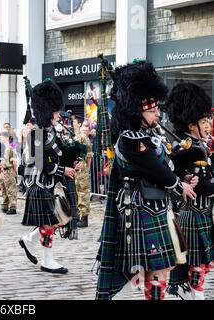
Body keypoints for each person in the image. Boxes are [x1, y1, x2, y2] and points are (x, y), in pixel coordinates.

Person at [95, 62, 196, 300]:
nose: (157, 114)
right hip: (140, 208)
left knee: (161, 268)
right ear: (136, 112)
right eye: (152, 111)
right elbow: (154, 167)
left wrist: (183, 175)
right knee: (152, 270)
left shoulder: (149, 137)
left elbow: (166, 164)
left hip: (156, 207)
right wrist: (177, 184)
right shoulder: (130, 139)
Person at [19, 80, 73, 275]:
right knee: (51, 222)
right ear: (47, 112)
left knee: (57, 219)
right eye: (56, 111)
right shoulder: (37, 134)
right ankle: (47, 259)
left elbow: (60, 154)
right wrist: (62, 170)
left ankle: (31, 241)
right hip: (39, 183)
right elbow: (40, 162)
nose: (59, 115)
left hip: (50, 184)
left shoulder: (51, 133)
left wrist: (75, 157)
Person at [166, 83, 214, 300]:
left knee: (201, 266)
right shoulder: (185, 149)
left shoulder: (200, 145)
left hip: (202, 213)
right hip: (192, 214)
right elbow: (202, 185)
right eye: (204, 121)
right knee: (195, 266)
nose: (208, 125)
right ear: (191, 124)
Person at [74, 119, 93, 228]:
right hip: (75, 168)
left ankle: (84, 217)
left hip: (82, 168)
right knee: (76, 192)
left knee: (83, 193)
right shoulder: (75, 136)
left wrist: (85, 167)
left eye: (75, 122)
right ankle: (77, 215)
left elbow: (89, 156)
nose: (73, 124)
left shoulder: (83, 137)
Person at [0, 130, 18, 215]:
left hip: (9, 170)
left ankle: (13, 207)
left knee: (11, 189)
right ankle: (5, 206)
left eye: (1, 136)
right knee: (4, 189)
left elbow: (14, 161)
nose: (0, 138)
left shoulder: (11, 147)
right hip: (3, 170)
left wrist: (15, 171)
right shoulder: (3, 147)